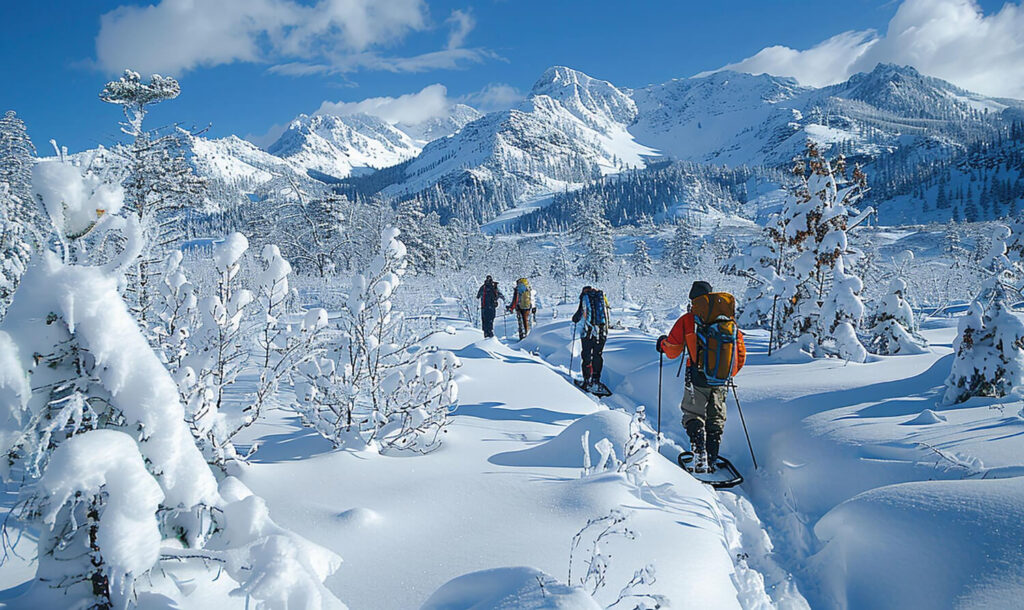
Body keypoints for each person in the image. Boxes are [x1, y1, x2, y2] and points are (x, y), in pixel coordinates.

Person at [656, 281, 746, 473]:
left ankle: (699, 452)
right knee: (716, 418)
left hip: (696, 375)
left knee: (693, 413)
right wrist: (724, 374)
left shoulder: (688, 320)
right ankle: (712, 458)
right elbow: (739, 355)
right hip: (722, 379)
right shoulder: (728, 322)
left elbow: (672, 350)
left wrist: (662, 343)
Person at [572, 285, 610, 391]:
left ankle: (586, 380)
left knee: (587, 355)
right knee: (598, 355)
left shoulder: (585, 298)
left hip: (588, 333)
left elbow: (579, 315)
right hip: (602, 333)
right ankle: (596, 380)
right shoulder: (602, 297)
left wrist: (574, 319)